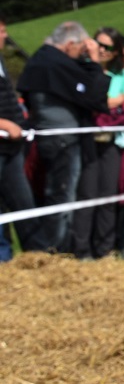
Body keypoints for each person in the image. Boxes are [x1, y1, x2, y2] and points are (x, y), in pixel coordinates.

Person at [16, 21, 108, 252]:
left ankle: (53, 247)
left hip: (48, 137)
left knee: (54, 193)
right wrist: (94, 62)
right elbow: (94, 95)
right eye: (80, 48)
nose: (80, 54)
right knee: (62, 197)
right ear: (69, 44)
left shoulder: (40, 59)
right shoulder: (57, 64)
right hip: (64, 139)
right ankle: (55, 250)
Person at [70, 27, 124, 259]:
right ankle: (81, 250)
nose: (101, 49)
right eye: (97, 44)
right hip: (88, 139)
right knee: (87, 195)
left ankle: (104, 249)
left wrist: (106, 101)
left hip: (111, 141)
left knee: (108, 196)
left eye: (107, 47)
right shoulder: (83, 69)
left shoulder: (122, 74)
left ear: (115, 51)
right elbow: (89, 101)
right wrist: (113, 101)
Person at [0, 16, 52, 258]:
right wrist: (4, 124)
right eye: (1, 31)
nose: (5, 36)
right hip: (4, 141)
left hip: (10, 148)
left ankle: (37, 257)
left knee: (24, 203)